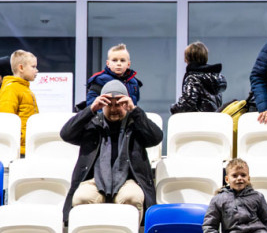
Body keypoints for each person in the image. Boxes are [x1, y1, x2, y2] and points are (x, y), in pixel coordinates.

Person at [61, 79, 162, 221]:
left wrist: (135, 111)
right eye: (109, 105)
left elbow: (156, 137)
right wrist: (91, 109)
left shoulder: (135, 123)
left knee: (132, 198)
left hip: (129, 179)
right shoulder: (93, 122)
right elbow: (65, 134)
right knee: (82, 198)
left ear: (126, 105)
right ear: (102, 105)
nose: (114, 109)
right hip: (95, 179)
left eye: (118, 104)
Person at [203, 157, 267, 233]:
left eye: (243, 175)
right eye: (234, 175)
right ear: (227, 179)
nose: (239, 178)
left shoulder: (258, 196)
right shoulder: (218, 199)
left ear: (248, 178)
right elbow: (209, 226)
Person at [170, 41, 227, 114]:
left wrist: (173, 108)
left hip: (196, 122)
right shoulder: (215, 79)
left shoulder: (193, 78)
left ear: (188, 59)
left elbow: (188, 103)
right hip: (213, 122)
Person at [0, 49, 39, 154]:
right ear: (21, 67)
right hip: (18, 150)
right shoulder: (11, 88)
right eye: (33, 67)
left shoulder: (24, 88)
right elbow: (7, 121)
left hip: (28, 146)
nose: (36, 70)